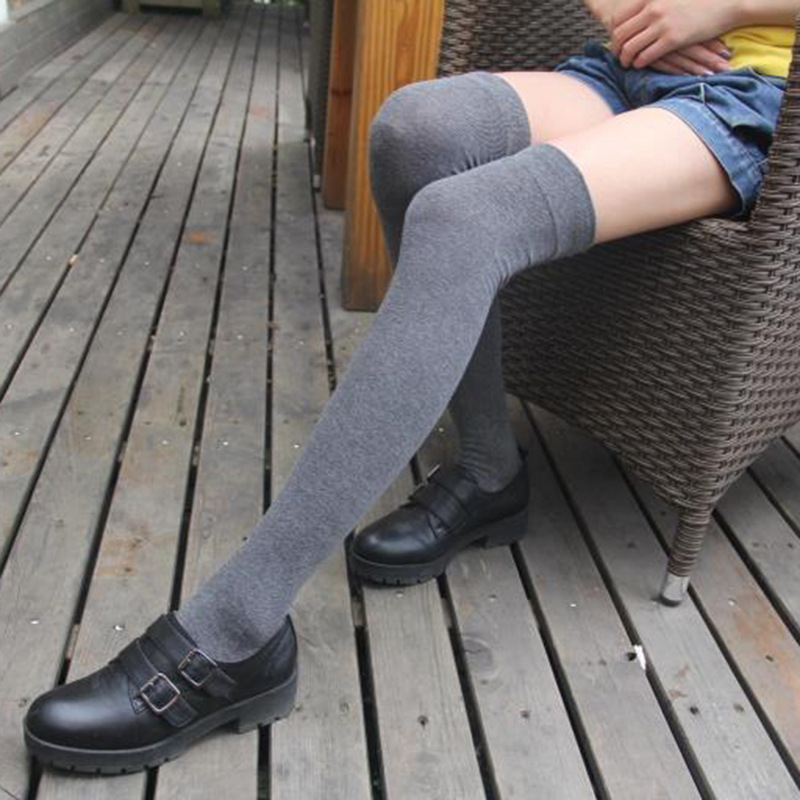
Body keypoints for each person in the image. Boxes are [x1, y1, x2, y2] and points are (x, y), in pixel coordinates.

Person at [22, 0, 797, 774]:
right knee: (411, 130)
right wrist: (632, 16)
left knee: (466, 219)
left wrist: (721, 9)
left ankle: (237, 628)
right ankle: (490, 471)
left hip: (753, 96)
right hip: (627, 72)